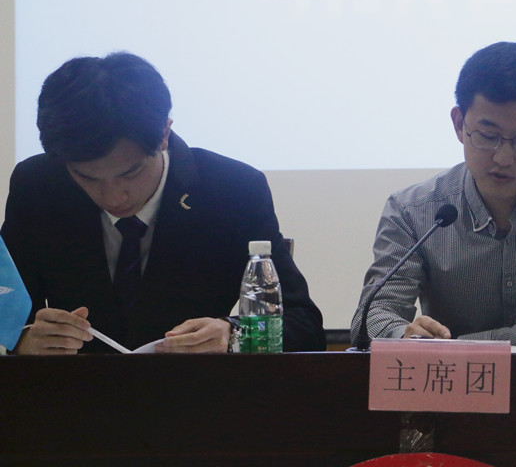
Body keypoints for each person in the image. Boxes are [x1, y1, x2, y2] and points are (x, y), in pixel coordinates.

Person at [2, 52, 326, 354]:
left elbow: (304, 325)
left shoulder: (232, 190)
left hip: (196, 391)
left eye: (130, 173)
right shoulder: (38, 186)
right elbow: (8, 310)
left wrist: (233, 335)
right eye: (87, 178)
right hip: (71, 392)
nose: (113, 196)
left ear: (164, 135)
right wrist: (23, 338)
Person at [350, 41, 516, 351]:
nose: (503, 158)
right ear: (459, 124)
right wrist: (404, 336)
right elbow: (372, 317)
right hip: (448, 382)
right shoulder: (412, 210)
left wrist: (458, 348)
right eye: (488, 136)